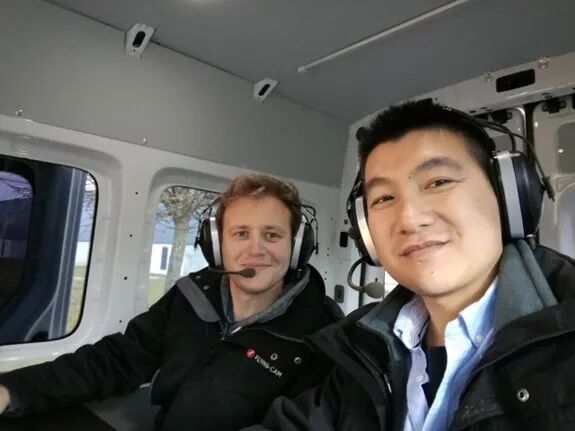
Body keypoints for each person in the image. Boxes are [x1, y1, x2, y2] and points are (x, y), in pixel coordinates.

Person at [248, 99, 575, 431]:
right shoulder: (364, 347)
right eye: (384, 199)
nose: (408, 219)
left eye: (438, 182)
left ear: (507, 194)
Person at [0, 174, 342, 431]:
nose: (256, 249)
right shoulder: (192, 297)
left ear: (297, 247)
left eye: (272, 235)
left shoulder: (321, 334)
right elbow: (116, 360)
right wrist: (13, 391)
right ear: (216, 245)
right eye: (241, 233)